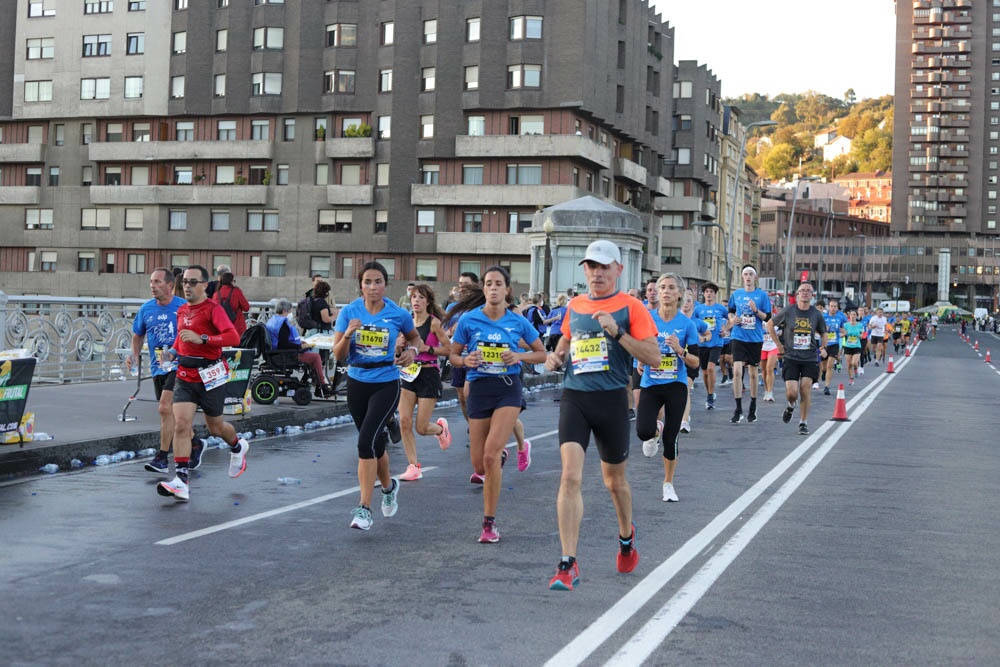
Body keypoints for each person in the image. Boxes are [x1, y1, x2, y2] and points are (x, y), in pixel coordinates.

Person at [544, 240, 660, 591]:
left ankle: (626, 537)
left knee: (614, 482)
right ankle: (568, 563)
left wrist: (618, 331)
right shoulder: (575, 306)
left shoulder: (632, 307)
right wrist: (556, 358)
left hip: (611, 400)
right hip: (575, 398)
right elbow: (565, 343)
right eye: (591, 266)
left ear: (618, 270)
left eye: (603, 267)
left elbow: (653, 357)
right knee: (569, 478)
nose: (596, 273)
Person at [448, 266, 546, 543]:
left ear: (506, 290)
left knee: (490, 456)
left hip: (507, 390)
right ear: (484, 288)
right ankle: (496, 459)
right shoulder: (469, 321)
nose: (493, 288)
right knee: (480, 465)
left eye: (498, 284)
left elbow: (541, 354)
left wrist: (518, 356)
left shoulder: (517, 321)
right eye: (488, 283)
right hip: (479, 389)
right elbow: (454, 356)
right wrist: (465, 361)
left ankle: (489, 524)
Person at [333, 261, 421, 531]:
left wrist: (412, 352)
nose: (373, 287)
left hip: (386, 381)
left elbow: (415, 338)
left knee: (365, 442)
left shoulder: (397, 313)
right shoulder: (349, 312)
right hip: (357, 380)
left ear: (386, 284)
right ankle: (388, 487)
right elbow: (338, 356)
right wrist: (348, 335)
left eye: (378, 282)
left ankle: (364, 508)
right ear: (360, 285)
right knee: (375, 445)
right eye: (367, 282)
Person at [156, 265, 248, 502]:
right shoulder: (182, 310)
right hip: (185, 375)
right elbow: (181, 336)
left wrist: (204, 338)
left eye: (193, 282)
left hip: (211, 374)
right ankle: (181, 481)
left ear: (205, 285)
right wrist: (172, 354)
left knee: (216, 428)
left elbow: (232, 337)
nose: (187, 286)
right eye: (184, 281)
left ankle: (238, 447)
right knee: (181, 425)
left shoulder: (213, 309)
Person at [635, 274, 700, 502]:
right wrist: (641, 360)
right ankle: (654, 431)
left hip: (675, 384)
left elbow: (695, 362)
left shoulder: (686, 324)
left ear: (679, 294)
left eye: (671, 288)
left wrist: (680, 350)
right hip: (651, 384)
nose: (665, 291)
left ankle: (668, 483)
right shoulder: (648, 318)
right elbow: (637, 345)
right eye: (662, 287)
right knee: (643, 431)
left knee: (672, 438)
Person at [129, 268, 192, 475]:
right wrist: (135, 355)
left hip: (180, 364)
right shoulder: (146, 309)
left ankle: (162, 457)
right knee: (171, 413)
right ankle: (196, 442)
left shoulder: (183, 307)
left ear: (170, 285)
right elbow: (138, 335)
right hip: (159, 365)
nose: (152, 286)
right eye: (151, 281)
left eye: (157, 282)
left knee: (164, 408)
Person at [397, 284, 453, 481]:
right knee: (404, 421)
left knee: (421, 428)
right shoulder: (407, 323)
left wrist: (427, 348)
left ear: (428, 301)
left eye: (421, 297)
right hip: (408, 375)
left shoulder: (434, 323)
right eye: (413, 297)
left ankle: (440, 429)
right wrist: (398, 347)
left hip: (428, 375)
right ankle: (413, 466)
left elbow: (448, 350)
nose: (416, 301)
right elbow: (400, 350)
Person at [767, 283, 827, 436]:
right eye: (802, 291)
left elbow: (824, 333)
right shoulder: (789, 311)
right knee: (792, 392)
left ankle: (803, 422)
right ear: (798, 294)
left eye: (808, 291)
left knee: (805, 388)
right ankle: (790, 405)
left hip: (809, 357)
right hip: (791, 356)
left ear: (812, 295)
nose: (805, 293)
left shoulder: (816, 314)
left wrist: (823, 347)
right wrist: (778, 345)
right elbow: (769, 325)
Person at [724, 265, 772, 424]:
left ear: (755, 277)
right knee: (737, 371)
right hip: (738, 336)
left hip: (755, 339)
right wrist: (732, 319)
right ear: (742, 277)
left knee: (752, 373)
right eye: (746, 274)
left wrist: (756, 310)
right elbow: (730, 311)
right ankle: (738, 408)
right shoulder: (736, 294)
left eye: (751, 274)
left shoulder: (762, 295)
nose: (748, 277)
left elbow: (767, 318)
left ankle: (752, 404)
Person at [264, 299, 334, 397]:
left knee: (312, 355)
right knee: (316, 357)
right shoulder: (282, 324)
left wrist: (300, 343)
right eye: (290, 311)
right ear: (285, 311)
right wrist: (300, 346)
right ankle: (322, 386)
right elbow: (284, 344)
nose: (291, 313)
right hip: (286, 355)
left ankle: (316, 382)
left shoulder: (273, 320)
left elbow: (283, 341)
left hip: (278, 353)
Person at [679, 289, 710, 433]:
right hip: (675, 361)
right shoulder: (674, 320)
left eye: (689, 301)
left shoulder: (697, 322)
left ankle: (684, 421)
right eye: (683, 301)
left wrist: (703, 339)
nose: (686, 304)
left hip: (691, 359)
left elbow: (708, 334)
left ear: (693, 303)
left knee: (684, 389)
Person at [693, 282, 728, 410]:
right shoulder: (698, 310)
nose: (709, 294)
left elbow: (730, 317)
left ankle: (709, 397)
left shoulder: (720, 308)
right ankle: (710, 393)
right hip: (702, 343)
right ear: (703, 294)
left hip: (716, 342)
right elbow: (693, 324)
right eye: (706, 292)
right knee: (704, 372)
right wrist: (697, 334)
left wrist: (726, 329)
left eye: (711, 292)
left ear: (715, 294)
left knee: (711, 368)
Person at [821, 299, 847, 396]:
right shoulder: (823, 317)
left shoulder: (840, 317)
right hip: (824, 344)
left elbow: (842, 329)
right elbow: (818, 330)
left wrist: (843, 334)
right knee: (823, 366)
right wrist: (824, 330)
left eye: (835, 306)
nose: (833, 308)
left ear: (837, 307)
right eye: (831, 306)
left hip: (834, 344)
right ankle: (823, 373)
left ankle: (827, 387)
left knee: (829, 366)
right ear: (828, 307)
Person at [213, 271, 250, 336]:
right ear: (231, 281)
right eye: (234, 280)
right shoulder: (236, 291)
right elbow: (246, 308)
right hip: (237, 327)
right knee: (237, 345)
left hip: (221, 328)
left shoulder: (216, 294)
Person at [841, 308, 864, 385]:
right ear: (849, 316)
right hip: (848, 346)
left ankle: (856, 369)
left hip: (857, 346)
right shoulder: (846, 325)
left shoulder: (860, 325)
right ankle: (851, 379)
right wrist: (843, 334)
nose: (853, 316)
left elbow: (862, 334)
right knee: (849, 365)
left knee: (854, 363)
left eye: (854, 315)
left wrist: (861, 335)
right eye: (851, 315)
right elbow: (842, 333)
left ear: (856, 316)